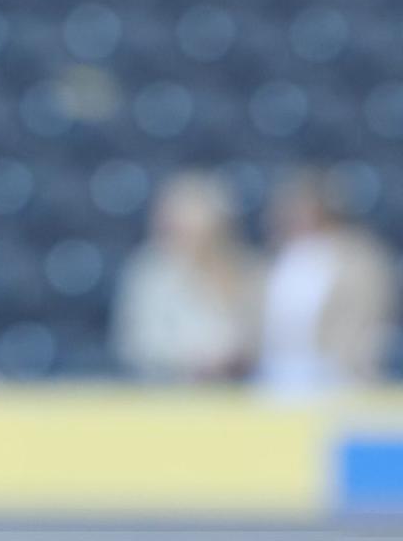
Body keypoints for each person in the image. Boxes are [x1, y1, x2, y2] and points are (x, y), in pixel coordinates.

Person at [111, 171, 263, 383]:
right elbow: (138, 342)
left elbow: (261, 333)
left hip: (238, 390)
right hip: (172, 392)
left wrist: (237, 354)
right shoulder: (150, 271)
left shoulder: (246, 269)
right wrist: (197, 358)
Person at [256, 168, 397, 395]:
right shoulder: (279, 257)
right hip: (274, 377)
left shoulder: (359, 257)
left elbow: (367, 318)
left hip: (339, 376)